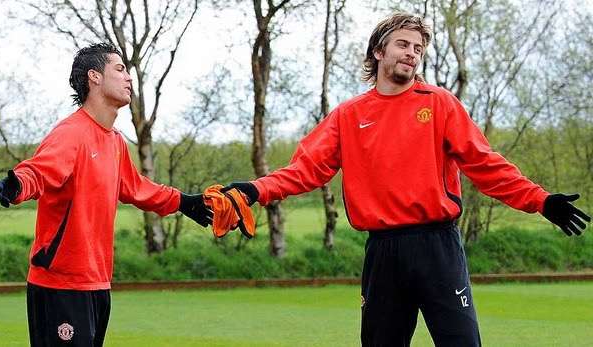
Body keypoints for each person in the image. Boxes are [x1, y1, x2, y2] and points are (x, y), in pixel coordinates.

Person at [221, 12, 591, 347]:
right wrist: (255, 190)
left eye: (418, 47)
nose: (412, 53)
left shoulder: (440, 102)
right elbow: (306, 169)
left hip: (437, 247)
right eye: (403, 44)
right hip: (383, 252)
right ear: (379, 52)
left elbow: (485, 164)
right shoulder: (348, 116)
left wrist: (540, 200)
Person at [0, 43, 213, 347]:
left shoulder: (115, 142)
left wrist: (184, 202)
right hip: (61, 286)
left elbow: (137, 188)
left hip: (97, 283)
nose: (129, 78)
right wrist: (17, 185)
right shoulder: (71, 133)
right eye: (120, 69)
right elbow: (40, 171)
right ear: (94, 77)